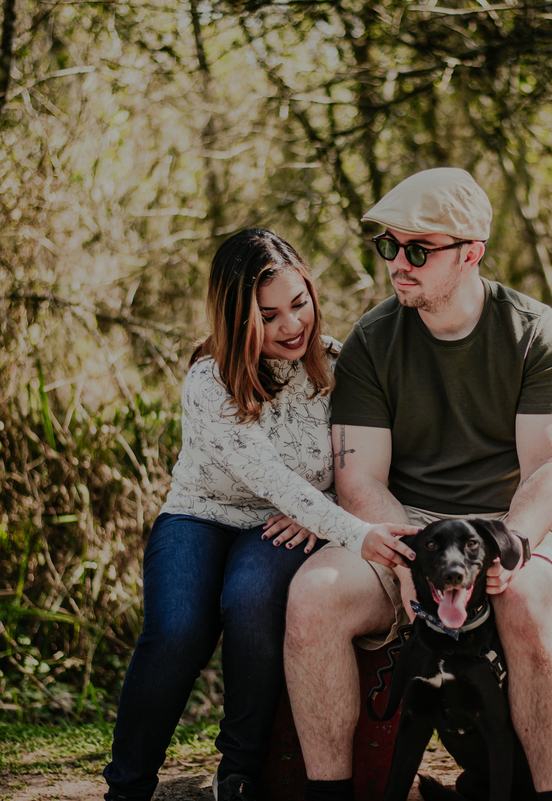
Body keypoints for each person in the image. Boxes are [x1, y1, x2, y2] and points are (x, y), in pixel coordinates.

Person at [284, 169, 552, 801]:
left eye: (418, 249)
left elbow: (546, 469)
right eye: (389, 246)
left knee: (523, 601)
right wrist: (408, 559)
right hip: (408, 524)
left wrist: (511, 550)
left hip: (517, 521)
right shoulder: (372, 340)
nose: (398, 263)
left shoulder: (536, 333)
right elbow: (359, 478)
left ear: (470, 252)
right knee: (313, 597)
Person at [102, 228, 418, 801]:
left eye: (299, 304)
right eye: (268, 317)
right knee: (176, 630)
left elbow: (359, 456)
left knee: (250, 603)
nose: (292, 326)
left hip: (284, 524)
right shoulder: (209, 381)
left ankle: (239, 773)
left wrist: (321, 507)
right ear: (236, 319)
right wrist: (354, 531)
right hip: (200, 515)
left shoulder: (339, 365)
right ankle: (127, 788)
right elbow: (268, 475)